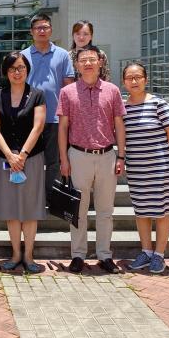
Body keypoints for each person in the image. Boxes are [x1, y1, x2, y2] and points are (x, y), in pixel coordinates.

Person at [57, 45, 127, 274]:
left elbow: (119, 124)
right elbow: (63, 127)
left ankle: (105, 255)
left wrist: (121, 155)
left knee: (105, 211)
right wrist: (63, 159)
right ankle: (78, 255)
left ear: (100, 62)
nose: (88, 63)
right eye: (83, 59)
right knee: (78, 211)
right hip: (78, 156)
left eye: (92, 59)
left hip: (107, 155)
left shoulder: (112, 90)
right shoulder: (67, 92)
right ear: (76, 65)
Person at [0, 51, 47, 273]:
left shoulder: (37, 94)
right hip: (5, 159)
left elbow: (38, 126)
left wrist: (21, 155)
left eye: (21, 67)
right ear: (6, 72)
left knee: (30, 208)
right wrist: (10, 155)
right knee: (11, 208)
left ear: (27, 70)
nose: (17, 72)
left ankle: (29, 256)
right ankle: (15, 254)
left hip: (31, 158)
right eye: (13, 68)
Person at [122, 62, 169, 274]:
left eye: (138, 77)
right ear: (124, 81)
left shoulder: (158, 104)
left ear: (146, 79)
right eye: (130, 77)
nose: (134, 81)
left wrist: (161, 154)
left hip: (159, 168)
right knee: (142, 211)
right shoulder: (123, 107)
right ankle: (146, 251)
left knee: (162, 212)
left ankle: (159, 255)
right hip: (136, 168)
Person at [21, 14, 75, 200]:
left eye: (45, 27)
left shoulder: (62, 55)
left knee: (54, 160)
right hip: (29, 118)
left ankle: (51, 197)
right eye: (38, 28)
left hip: (55, 117)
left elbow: (68, 85)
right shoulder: (23, 56)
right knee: (29, 159)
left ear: (51, 30)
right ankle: (31, 197)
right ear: (31, 32)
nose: (42, 31)